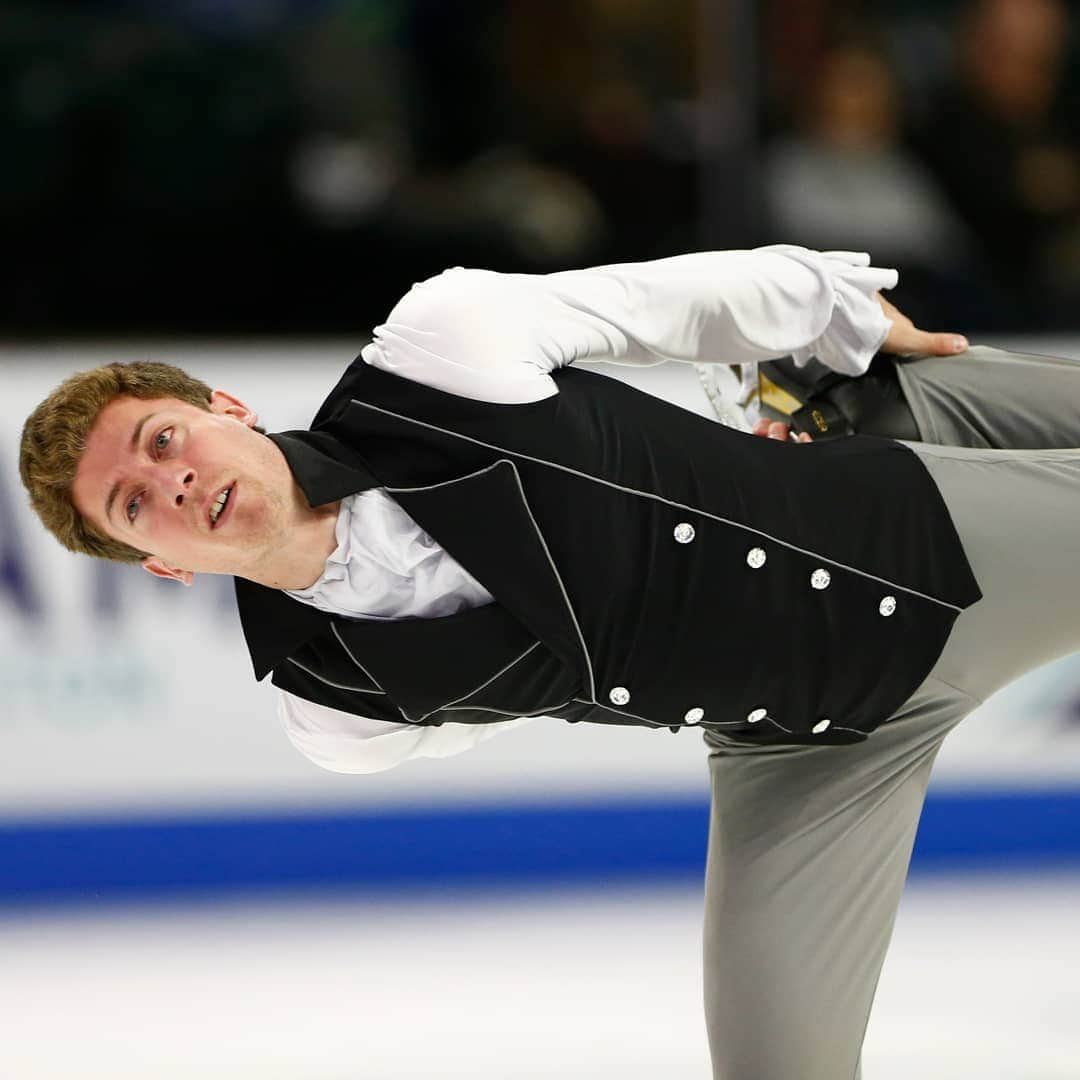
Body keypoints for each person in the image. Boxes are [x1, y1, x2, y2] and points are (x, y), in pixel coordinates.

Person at [18, 244, 1080, 1079]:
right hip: (805, 752)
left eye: (162, 441)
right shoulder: (340, 713)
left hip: (922, 550)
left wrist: (836, 312)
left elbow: (670, 302)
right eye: (134, 505)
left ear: (224, 409)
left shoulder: (440, 351)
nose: (174, 482)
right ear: (158, 564)